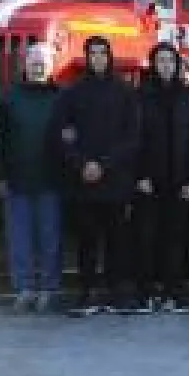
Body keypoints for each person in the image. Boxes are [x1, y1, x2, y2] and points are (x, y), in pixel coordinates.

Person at [54, 37, 140, 315]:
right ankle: (87, 291)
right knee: (87, 240)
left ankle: (117, 290)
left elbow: (132, 136)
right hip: (83, 181)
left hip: (115, 180)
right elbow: (63, 136)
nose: (99, 58)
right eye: (93, 53)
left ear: (110, 56)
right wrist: (82, 165)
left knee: (118, 240)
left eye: (103, 53)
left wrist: (105, 164)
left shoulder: (125, 92)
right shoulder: (72, 93)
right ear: (86, 57)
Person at [0, 42, 64, 313]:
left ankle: (49, 288)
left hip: (52, 180)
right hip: (18, 179)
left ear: (52, 65)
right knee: (19, 238)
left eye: (44, 61)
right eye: (34, 61)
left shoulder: (62, 97)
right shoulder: (9, 97)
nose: (39, 65)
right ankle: (24, 288)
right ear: (25, 65)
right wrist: (0, 175)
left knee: (50, 237)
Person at [134, 42, 189, 312]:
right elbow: (134, 138)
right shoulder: (140, 96)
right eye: (160, 61)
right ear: (153, 64)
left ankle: (173, 290)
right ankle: (148, 291)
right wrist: (141, 175)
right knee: (147, 237)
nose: (165, 66)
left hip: (180, 180)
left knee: (176, 238)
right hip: (150, 180)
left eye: (170, 61)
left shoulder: (188, 97)